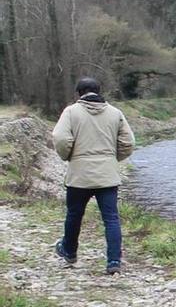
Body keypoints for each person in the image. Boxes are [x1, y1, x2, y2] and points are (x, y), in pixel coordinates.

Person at [51, 77, 135, 275]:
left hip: (79, 175)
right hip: (107, 175)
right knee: (111, 219)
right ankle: (113, 261)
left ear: (79, 93)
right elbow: (128, 142)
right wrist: (113, 159)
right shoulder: (115, 113)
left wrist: (68, 156)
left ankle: (69, 252)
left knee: (74, 215)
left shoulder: (71, 112)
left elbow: (60, 138)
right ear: (99, 91)